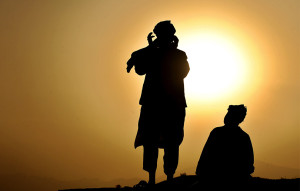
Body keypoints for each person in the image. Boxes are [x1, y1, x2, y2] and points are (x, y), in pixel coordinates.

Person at [127, 20, 190, 185]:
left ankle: (159, 178)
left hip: (163, 104)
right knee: (158, 141)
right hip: (163, 104)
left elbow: (182, 72)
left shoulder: (175, 55)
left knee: (165, 140)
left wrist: (151, 50)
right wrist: (151, 50)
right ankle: (159, 178)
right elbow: (141, 69)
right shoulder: (176, 54)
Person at [195, 105, 254, 190]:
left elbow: (205, 157)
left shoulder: (216, 133)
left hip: (215, 180)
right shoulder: (244, 137)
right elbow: (249, 165)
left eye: (229, 114)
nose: (226, 116)